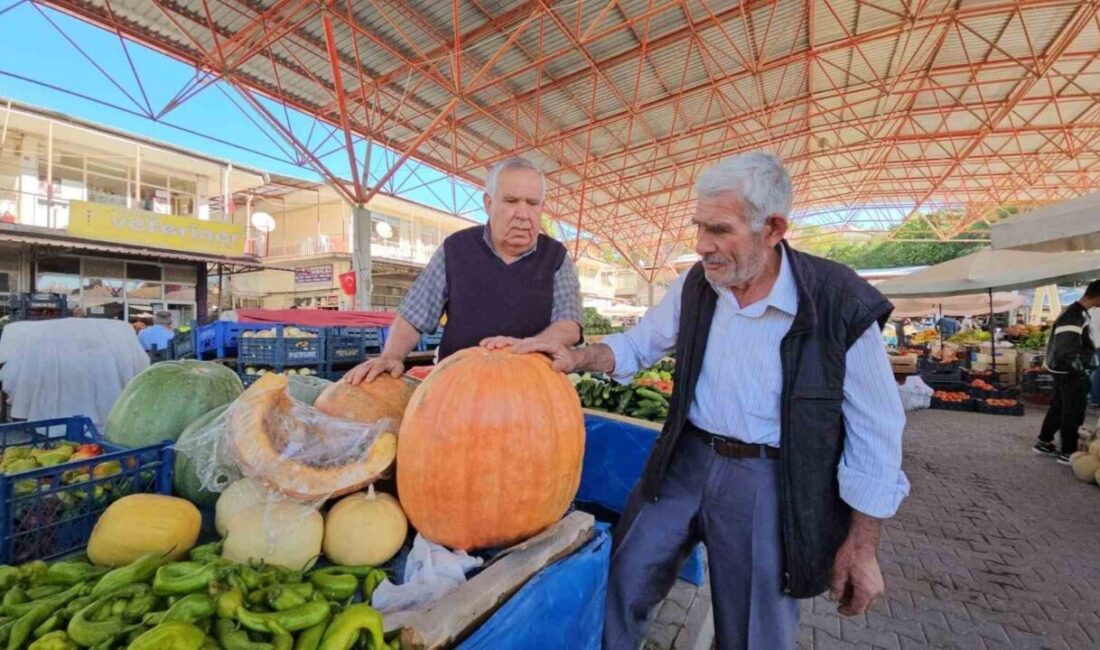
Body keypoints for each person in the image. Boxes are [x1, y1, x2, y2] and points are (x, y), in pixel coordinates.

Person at [513, 152, 908, 649]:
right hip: (686, 460)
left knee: (754, 629)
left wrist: (862, 544)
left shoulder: (838, 302)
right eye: (699, 227)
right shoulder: (698, 285)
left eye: (719, 230)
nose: (702, 246)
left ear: (773, 229)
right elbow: (638, 344)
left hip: (768, 478)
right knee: (627, 578)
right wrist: (577, 357)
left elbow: (877, 431)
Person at [343, 157, 583, 384]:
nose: (523, 214)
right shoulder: (456, 249)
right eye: (511, 201)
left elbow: (569, 324)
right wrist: (392, 355)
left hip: (531, 386)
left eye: (532, 203)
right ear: (489, 203)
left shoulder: (556, 257)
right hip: (457, 389)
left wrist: (527, 347)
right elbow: (415, 315)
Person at [1033, 281, 1100, 463]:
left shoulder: (1077, 313)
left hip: (1063, 371)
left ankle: (1044, 442)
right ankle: (1067, 451)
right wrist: (1080, 370)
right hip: (1070, 372)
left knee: (1059, 407)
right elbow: (1066, 349)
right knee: (1073, 411)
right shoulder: (1074, 315)